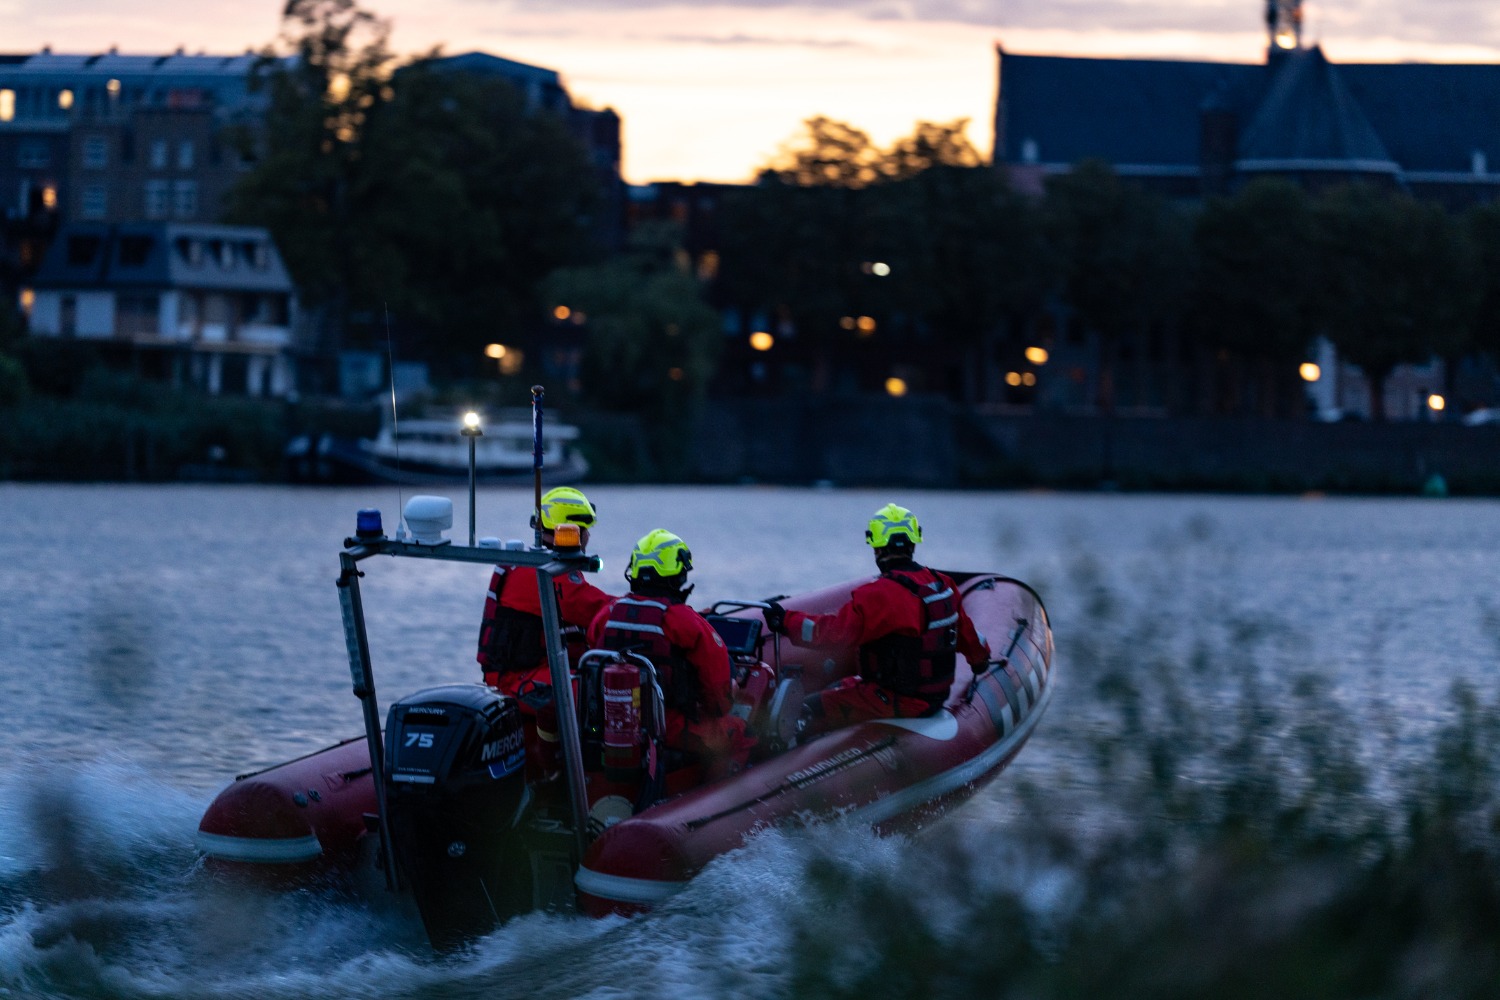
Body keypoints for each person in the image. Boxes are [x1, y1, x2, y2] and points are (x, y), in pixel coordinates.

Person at [764, 503, 990, 740]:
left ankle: (781, 758)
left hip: (898, 701)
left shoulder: (880, 594)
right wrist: (980, 661)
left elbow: (833, 635)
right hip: (933, 698)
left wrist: (785, 620)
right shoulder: (942, 584)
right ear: (913, 542)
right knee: (843, 686)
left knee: (810, 707)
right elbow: (968, 636)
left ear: (877, 547)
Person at [588, 529, 753, 780]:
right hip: (667, 726)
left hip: (613, 723)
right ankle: (718, 797)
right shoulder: (685, 622)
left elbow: (593, 650)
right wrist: (721, 703)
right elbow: (718, 696)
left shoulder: (608, 613)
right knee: (743, 732)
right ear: (679, 574)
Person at [476, 486, 615, 707]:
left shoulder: (532, 563)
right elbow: (597, 608)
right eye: (586, 529)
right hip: (520, 680)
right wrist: (645, 609)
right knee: (609, 688)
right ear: (573, 531)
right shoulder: (547, 572)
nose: (589, 535)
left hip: (523, 675)